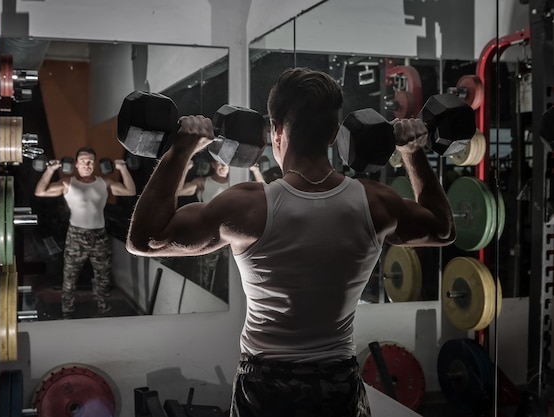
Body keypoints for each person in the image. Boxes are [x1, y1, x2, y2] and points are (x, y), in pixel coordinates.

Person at [125, 67, 455, 416]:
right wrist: (412, 151)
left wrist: (180, 151)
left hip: (266, 383)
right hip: (337, 380)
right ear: (333, 135)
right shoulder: (376, 202)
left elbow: (146, 240)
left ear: (277, 131)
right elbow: (442, 230)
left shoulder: (249, 206)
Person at [35, 147, 136, 319]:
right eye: (82, 161)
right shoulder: (68, 183)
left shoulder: (104, 182)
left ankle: (104, 309)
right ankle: (67, 312)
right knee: (69, 277)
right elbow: (40, 191)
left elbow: (130, 191)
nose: (86, 164)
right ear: (75, 165)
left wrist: (123, 168)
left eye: (90, 161)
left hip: (100, 236)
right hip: (76, 237)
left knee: (103, 277)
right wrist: (50, 170)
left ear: (95, 163)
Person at [176, 157, 264, 293]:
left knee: (232, 276)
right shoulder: (203, 182)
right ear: (213, 164)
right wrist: (185, 169)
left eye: (226, 164)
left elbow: (265, 193)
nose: (223, 167)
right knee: (205, 274)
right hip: (211, 236)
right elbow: (179, 191)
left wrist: (256, 171)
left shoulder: (238, 184)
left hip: (235, 238)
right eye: (220, 164)